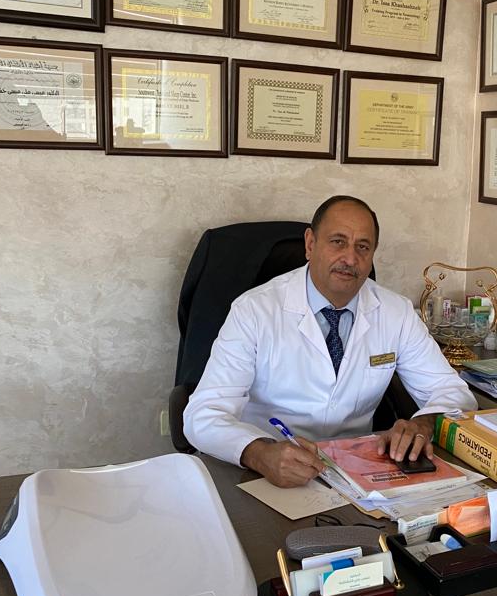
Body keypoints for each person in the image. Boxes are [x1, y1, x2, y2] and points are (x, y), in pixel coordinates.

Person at [183, 195, 477, 487]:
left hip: (358, 471)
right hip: (265, 471)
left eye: (363, 247)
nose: (350, 259)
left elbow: (453, 393)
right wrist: (259, 453)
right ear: (310, 244)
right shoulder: (255, 310)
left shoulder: (395, 312)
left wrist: (423, 423)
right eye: (338, 242)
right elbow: (204, 414)